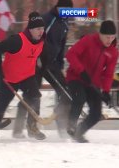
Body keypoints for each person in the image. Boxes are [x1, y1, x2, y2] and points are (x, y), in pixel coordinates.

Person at [13, 0, 73, 139]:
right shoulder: (46, 19)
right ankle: (27, 127)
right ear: (59, 8)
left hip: (51, 63)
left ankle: (62, 123)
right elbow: (29, 35)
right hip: (35, 61)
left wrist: (59, 63)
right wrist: (33, 56)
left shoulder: (64, 22)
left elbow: (61, 43)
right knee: (32, 95)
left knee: (65, 91)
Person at [0, 12, 45, 140]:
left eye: (42, 28)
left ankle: (32, 127)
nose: (41, 32)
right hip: (10, 78)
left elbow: (40, 57)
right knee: (2, 104)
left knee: (35, 97)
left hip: (27, 76)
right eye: (37, 29)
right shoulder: (17, 40)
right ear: (30, 29)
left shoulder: (41, 42)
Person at [66, 20, 118, 143]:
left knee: (96, 113)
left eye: (112, 37)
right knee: (80, 98)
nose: (109, 40)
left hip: (93, 84)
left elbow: (108, 73)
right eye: (106, 37)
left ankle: (78, 133)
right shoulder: (88, 41)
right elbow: (70, 54)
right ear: (100, 34)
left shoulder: (113, 52)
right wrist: (81, 71)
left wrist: (105, 91)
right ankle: (71, 125)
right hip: (76, 77)